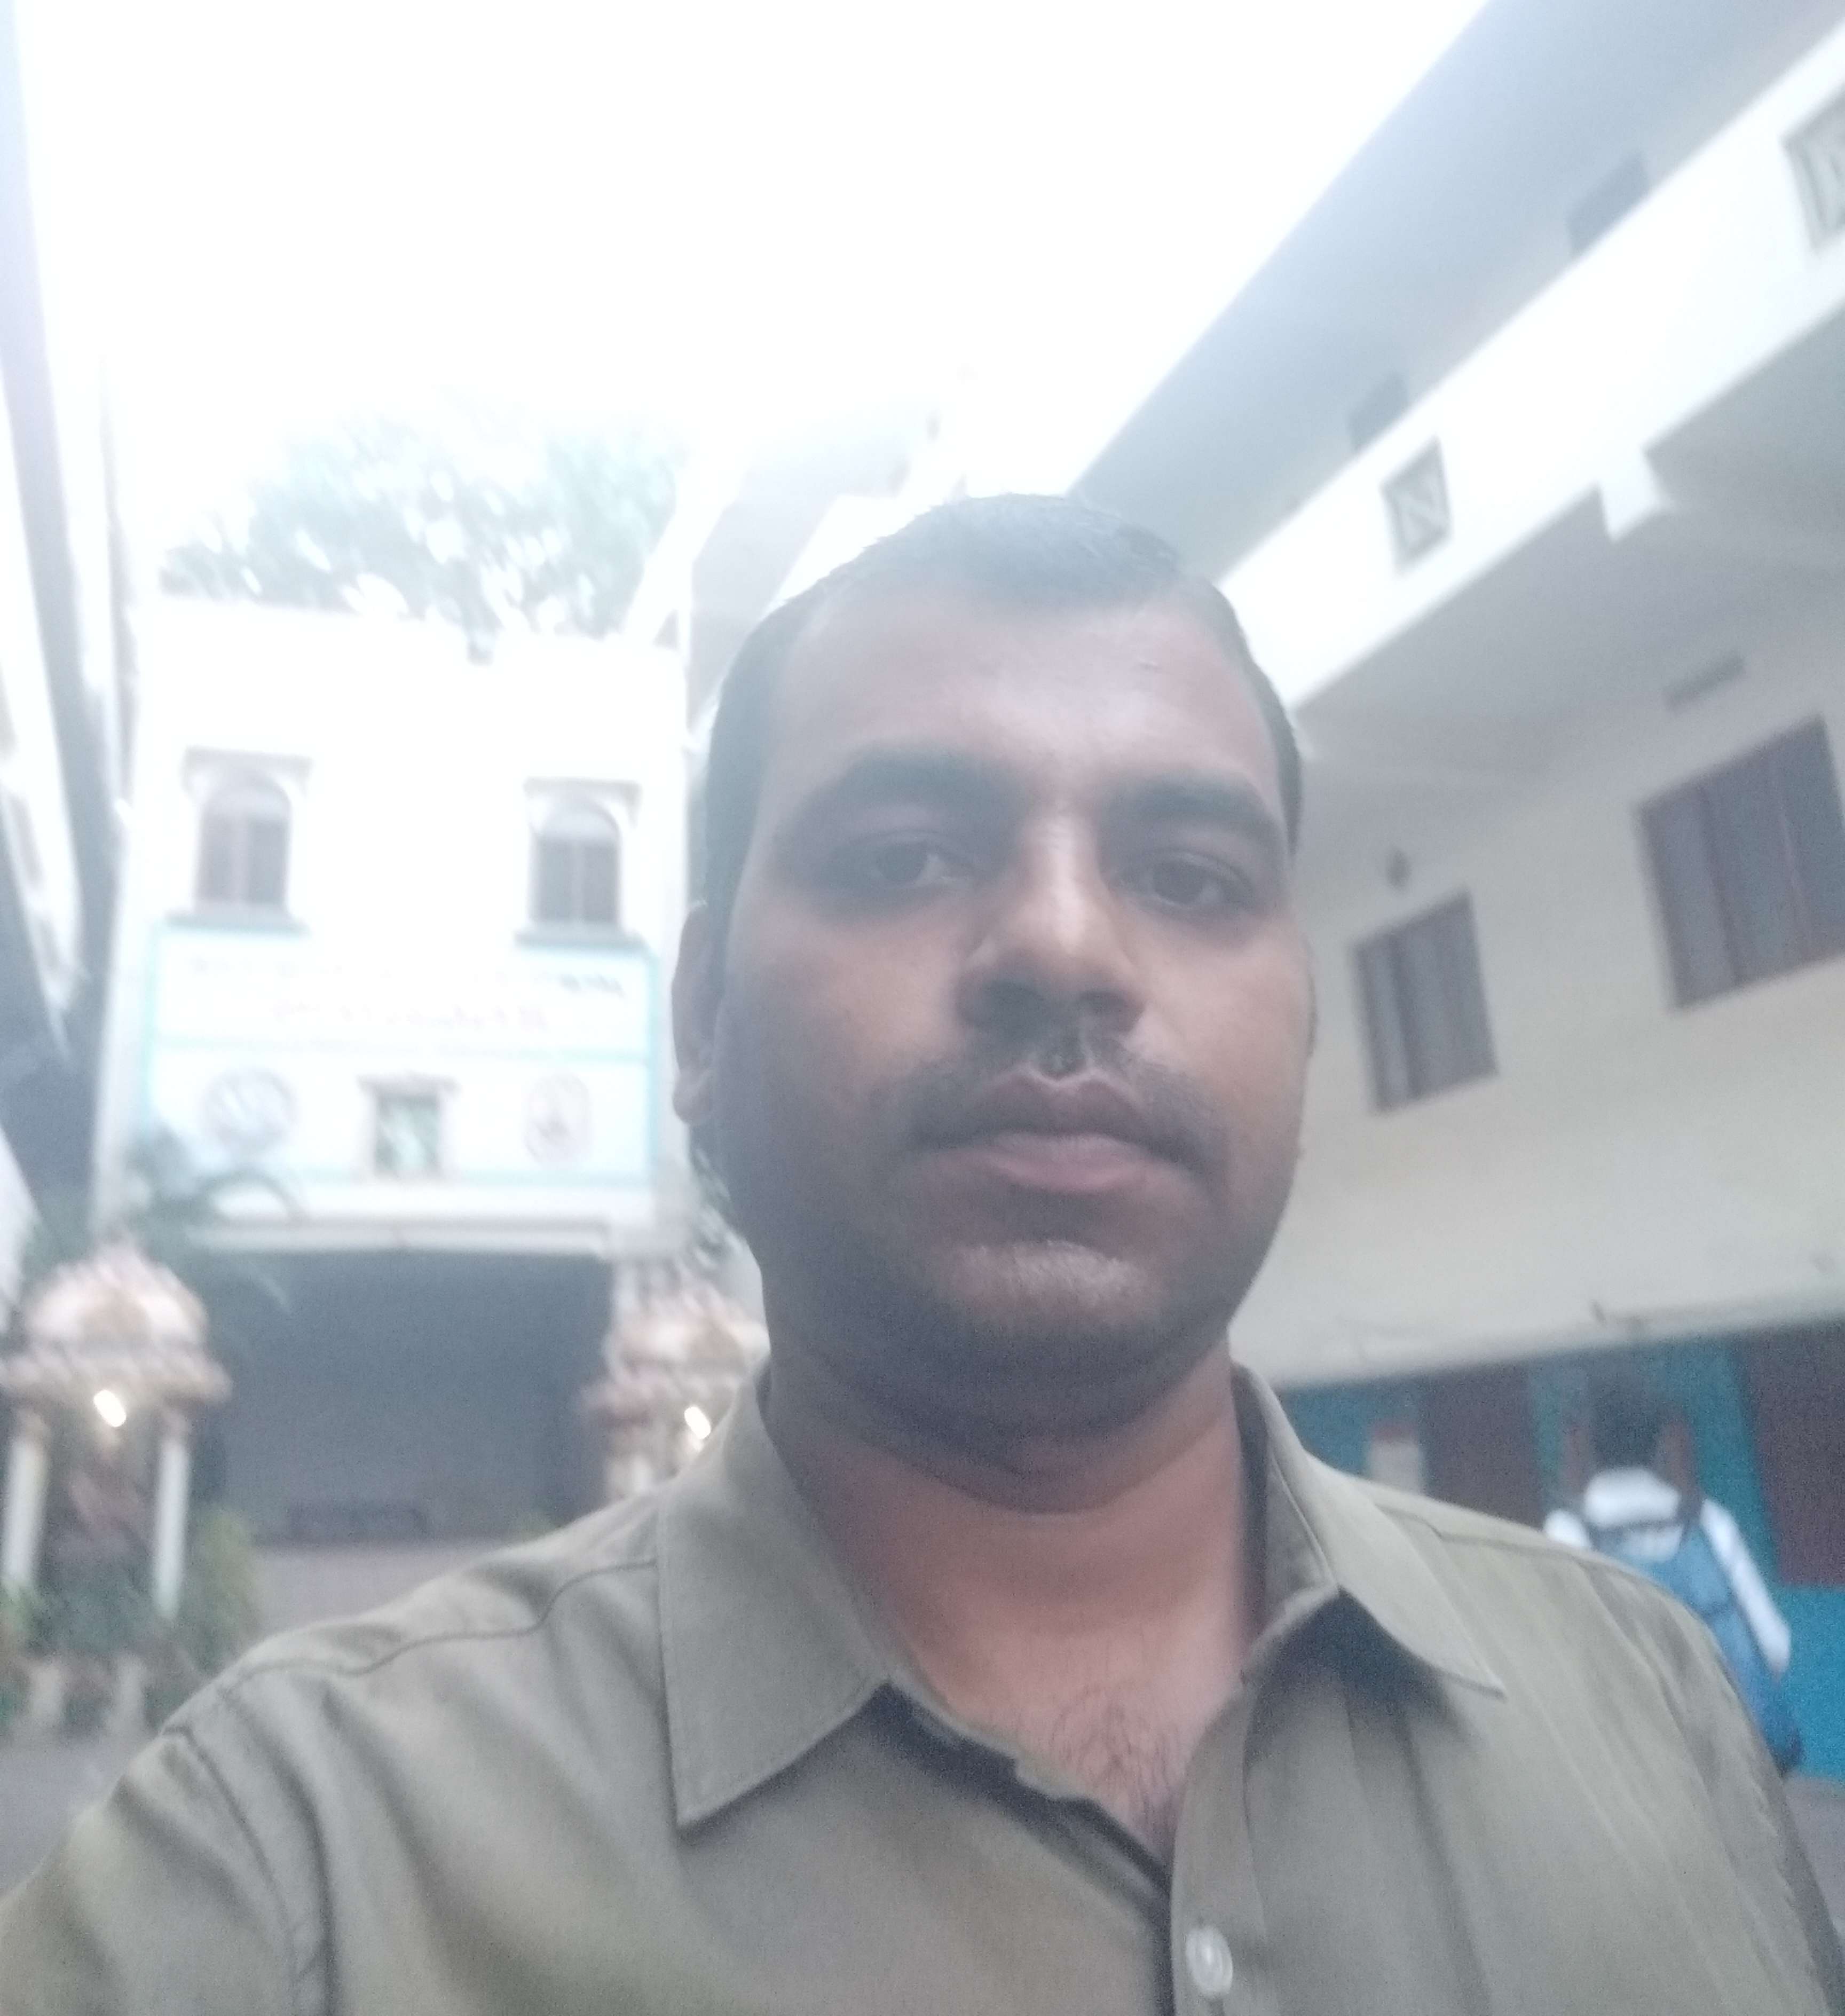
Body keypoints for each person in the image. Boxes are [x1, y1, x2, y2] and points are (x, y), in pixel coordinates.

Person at [3, 495, 1840, 2014]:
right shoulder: (284, 1874)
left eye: (1191, 876)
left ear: (1301, 1010)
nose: (1065, 945)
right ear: (701, 1015)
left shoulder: (1649, 1702)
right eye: (901, 854)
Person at [1546, 1371, 1801, 1770]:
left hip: (1635, 1772)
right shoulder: (1709, 1522)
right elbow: (1774, 1649)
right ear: (1659, 1441)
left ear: (1585, 1444)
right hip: (1730, 1770)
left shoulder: (1565, 1534)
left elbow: (1562, 1672)